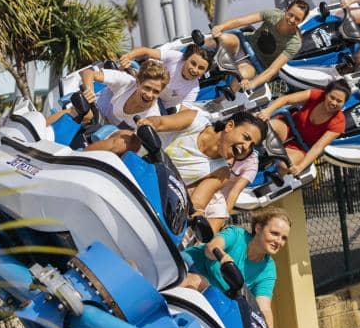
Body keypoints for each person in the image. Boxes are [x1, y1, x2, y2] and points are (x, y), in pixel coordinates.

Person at [183, 208, 292, 328]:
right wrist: (222, 257)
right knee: (198, 282)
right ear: (258, 228)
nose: (278, 241)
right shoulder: (237, 234)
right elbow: (211, 248)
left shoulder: (268, 269)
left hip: (212, 297)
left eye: (284, 238)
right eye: (274, 233)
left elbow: (263, 307)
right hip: (186, 268)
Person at [136, 109, 267, 216]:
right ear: (229, 126)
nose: (246, 146)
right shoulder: (195, 120)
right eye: (246, 137)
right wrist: (149, 123)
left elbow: (198, 203)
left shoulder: (222, 173)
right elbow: (160, 122)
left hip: (152, 189)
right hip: (135, 160)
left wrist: (198, 215)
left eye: (251, 145)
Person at [209, 0, 310, 92]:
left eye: (297, 19)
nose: (292, 20)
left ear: (302, 21)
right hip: (244, 45)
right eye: (290, 15)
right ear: (286, 9)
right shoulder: (273, 14)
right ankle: (201, 52)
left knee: (241, 75)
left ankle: (216, 101)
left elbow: (272, 70)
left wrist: (252, 84)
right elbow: (241, 21)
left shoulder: (295, 43)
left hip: (255, 64)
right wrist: (220, 27)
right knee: (222, 39)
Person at [256, 80, 351, 174]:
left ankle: (263, 176)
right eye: (332, 97)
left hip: (300, 147)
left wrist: (300, 167)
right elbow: (287, 99)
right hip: (288, 128)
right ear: (326, 94)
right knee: (265, 127)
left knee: (285, 165)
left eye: (339, 101)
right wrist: (268, 111)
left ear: (344, 103)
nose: (334, 103)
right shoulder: (316, 95)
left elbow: (318, 147)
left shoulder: (339, 123)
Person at [79, 59, 170, 130]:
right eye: (147, 88)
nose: (150, 95)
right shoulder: (126, 81)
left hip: (107, 128)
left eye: (156, 91)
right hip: (93, 107)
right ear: (138, 82)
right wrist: (89, 92)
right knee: (84, 114)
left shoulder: (152, 115)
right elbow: (87, 73)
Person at [118, 44, 213, 110]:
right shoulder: (176, 57)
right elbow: (146, 51)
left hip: (158, 106)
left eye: (201, 68)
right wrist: (128, 56)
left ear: (204, 72)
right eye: (193, 63)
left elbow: (184, 112)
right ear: (185, 59)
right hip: (142, 87)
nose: (195, 70)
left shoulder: (193, 89)